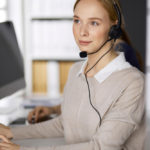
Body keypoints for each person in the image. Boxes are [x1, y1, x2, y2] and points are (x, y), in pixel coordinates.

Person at [0, 0, 145, 150]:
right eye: (77, 20)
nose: (82, 31)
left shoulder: (134, 83)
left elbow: (101, 147)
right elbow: (64, 125)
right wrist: (10, 132)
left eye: (94, 23)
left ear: (114, 27)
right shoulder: (76, 71)